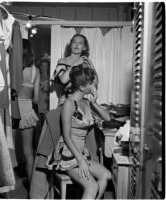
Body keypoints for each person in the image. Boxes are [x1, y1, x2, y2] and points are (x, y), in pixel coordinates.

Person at [47, 64, 112, 199]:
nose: (94, 85)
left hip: (81, 153)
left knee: (106, 175)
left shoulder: (87, 102)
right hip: (69, 154)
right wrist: (81, 160)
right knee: (92, 186)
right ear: (82, 87)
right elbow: (66, 136)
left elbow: (108, 118)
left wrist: (95, 102)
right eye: (91, 83)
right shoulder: (69, 103)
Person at [52, 33, 98, 105]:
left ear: (84, 47)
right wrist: (76, 63)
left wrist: (90, 64)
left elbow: (95, 82)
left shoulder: (86, 62)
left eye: (80, 43)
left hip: (82, 101)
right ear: (71, 45)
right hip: (65, 101)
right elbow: (63, 80)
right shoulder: (62, 61)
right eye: (74, 42)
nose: (76, 45)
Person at [18, 39, 40, 183]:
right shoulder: (35, 71)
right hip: (27, 110)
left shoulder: (13, 67)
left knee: (7, 150)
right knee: (28, 153)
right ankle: (33, 191)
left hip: (12, 108)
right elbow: (36, 99)